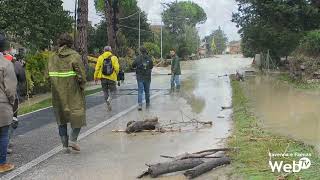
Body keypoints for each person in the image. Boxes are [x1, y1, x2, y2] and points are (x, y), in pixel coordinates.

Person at [48, 33, 86, 152]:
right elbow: (82, 76)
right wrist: (81, 86)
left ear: (59, 42)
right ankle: (73, 140)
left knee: (61, 118)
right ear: (70, 43)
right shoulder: (75, 56)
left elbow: (47, 75)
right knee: (78, 114)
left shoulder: (52, 57)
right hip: (73, 91)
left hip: (57, 93)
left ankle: (65, 146)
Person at [0, 34, 17, 172]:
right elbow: (10, 89)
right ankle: (1, 164)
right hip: (2, 104)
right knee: (3, 134)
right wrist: (12, 102)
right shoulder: (6, 64)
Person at [94, 46, 119, 111]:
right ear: (110, 50)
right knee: (113, 91)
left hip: (103, 78)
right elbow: (116, 68)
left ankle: (108, 105)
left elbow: (97, 68)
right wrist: (116, 74)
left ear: (104, 50)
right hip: (112, 77)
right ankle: (109, 99)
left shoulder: (100, 57)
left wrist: (95, 77)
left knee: (105, 92)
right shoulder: (114, 57)